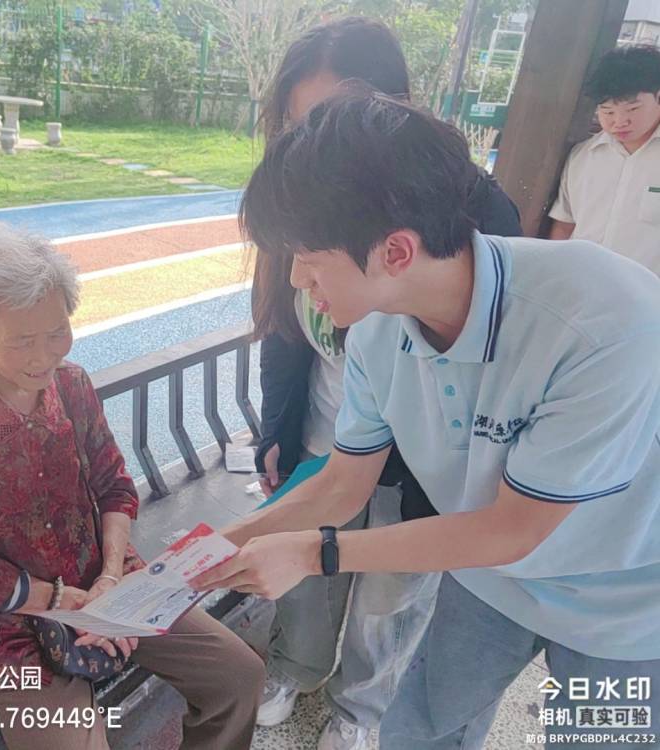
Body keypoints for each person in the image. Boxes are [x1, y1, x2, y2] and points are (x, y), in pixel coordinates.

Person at [194, 90, 660, 750]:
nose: (296, 278)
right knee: (420, 732)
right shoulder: (377, 333)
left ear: (396, 252)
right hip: (487, 579)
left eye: (310, 257)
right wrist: (210, 551)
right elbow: (341, 485)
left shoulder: (604, 318)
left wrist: (313, 553)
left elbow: (515, 528)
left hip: (626, 604)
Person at [250, 17, 522, 748]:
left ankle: (360, 709)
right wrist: (225, 536)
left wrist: (306, 547)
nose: (313, 147)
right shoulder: (364, 319)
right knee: (318, 571)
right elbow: (284, 334)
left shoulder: (491, 243)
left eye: (335, 118)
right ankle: (299, 669)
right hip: (342, 436)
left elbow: (510, 529)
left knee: (395, 598)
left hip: (591, 590)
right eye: (300, 126)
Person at [0, 222, 263, 750]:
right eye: (22, 341)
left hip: (107, 585)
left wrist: (110, 573)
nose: (43, 357)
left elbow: (114, 485)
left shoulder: (71, 384)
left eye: (57, 332)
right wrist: (57, 598)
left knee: (237, 677)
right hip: (8, 619)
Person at [548, 44, 660, 274]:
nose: (619, 121)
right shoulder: (583, 156)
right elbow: (564, 225)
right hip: (581, 284)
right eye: (608, 111)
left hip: (648, 291)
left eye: (633, 109)